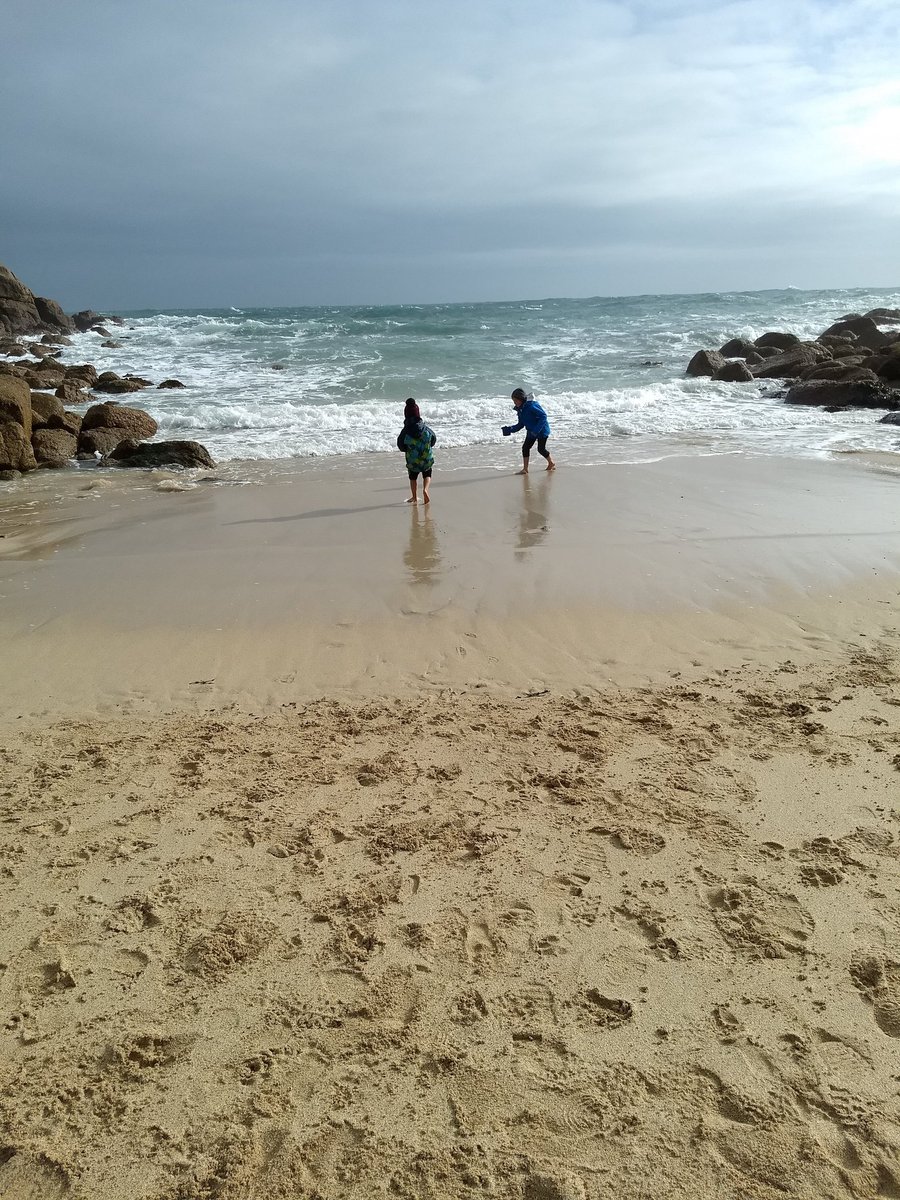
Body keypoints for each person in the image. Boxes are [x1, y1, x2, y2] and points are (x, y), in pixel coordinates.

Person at [501, 388, 555, 474]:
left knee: (541, 449)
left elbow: (543, 416)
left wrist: (536, 431)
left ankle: (551, 463)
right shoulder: (520, 410)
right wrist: (510, 429)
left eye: (516, 400)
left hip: (541, 430)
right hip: (531, 431)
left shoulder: (531, 406)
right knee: (525, 448)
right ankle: (525, 469)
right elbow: (520, 424)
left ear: (521, 399)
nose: (514, 403)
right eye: (513, 401)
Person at [397, 398, 437, 504]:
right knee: (427, 473)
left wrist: (407, 450)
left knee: (413, 477)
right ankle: (425, 490)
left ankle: (414, 497)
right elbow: (433, 439)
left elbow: (400, 446)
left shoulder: (405, 431)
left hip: (413, 460)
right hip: (426, 458)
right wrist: (428, 446)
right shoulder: (425, 429)